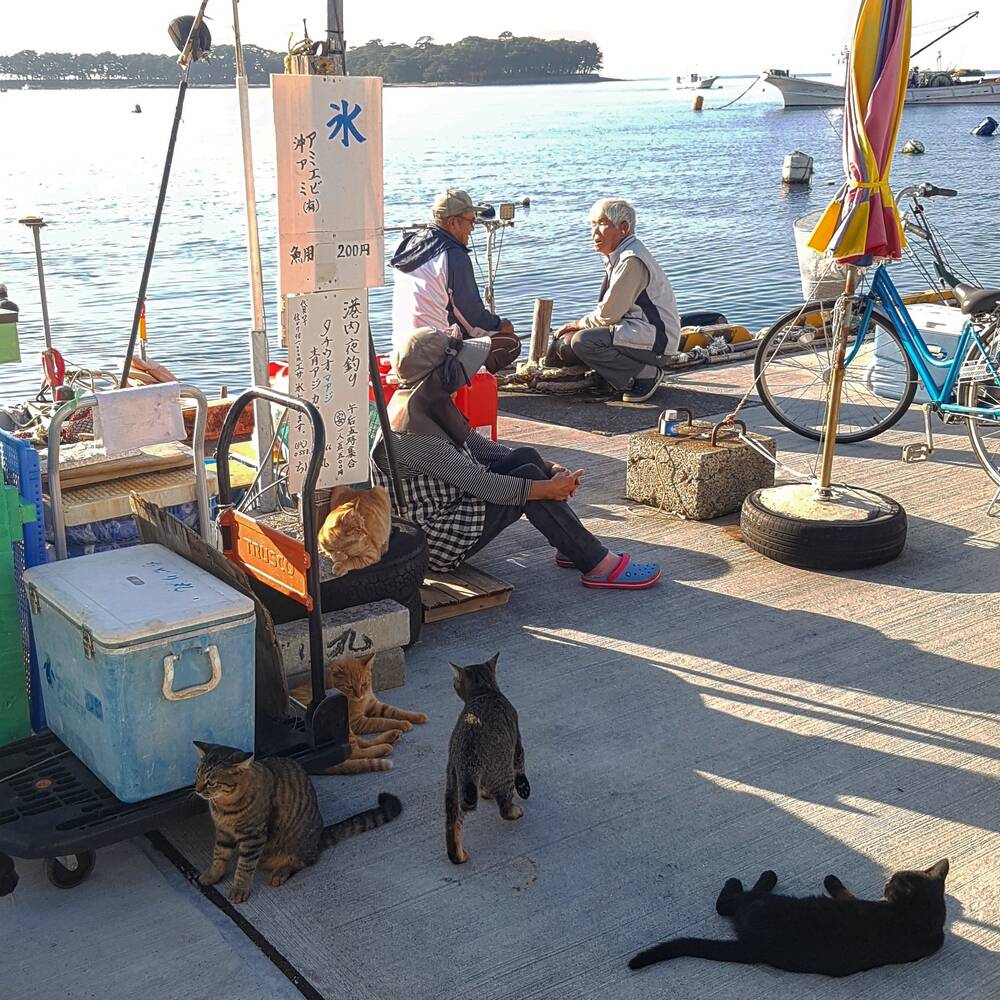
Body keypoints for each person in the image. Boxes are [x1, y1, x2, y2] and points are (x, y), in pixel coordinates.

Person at [371, 328, 660, 590]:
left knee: (527, 458)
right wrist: (548, 487)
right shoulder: (410, 436)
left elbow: (482, 449)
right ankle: (597, 564)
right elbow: (482, 484)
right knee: (529, 482)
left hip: (450, 509)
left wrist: (550, 468)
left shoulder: (425, 402)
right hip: (434, 541)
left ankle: (570, 542)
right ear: (440, 376)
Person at [547, 198, 681, 403]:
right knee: (568, 343)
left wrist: (575, 325)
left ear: (623, 228)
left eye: (602, 224)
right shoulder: (619, 255)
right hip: (638, 332)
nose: (595, 232)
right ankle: (614, 375)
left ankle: (644, 373)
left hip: (657, 341)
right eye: (593, 225)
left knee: (583, 342)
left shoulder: (631, 260)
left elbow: (608, 314)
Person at [389, 189, 521, 373]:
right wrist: (500, 325)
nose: (473, 228)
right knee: (510, 343)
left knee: (459, 326)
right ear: (453, 222)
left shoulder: (407, 244)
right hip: (432, 354)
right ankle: (458, 385)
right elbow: (472, 317)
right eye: (470, 221)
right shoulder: (452, 255)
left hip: (400, 349)